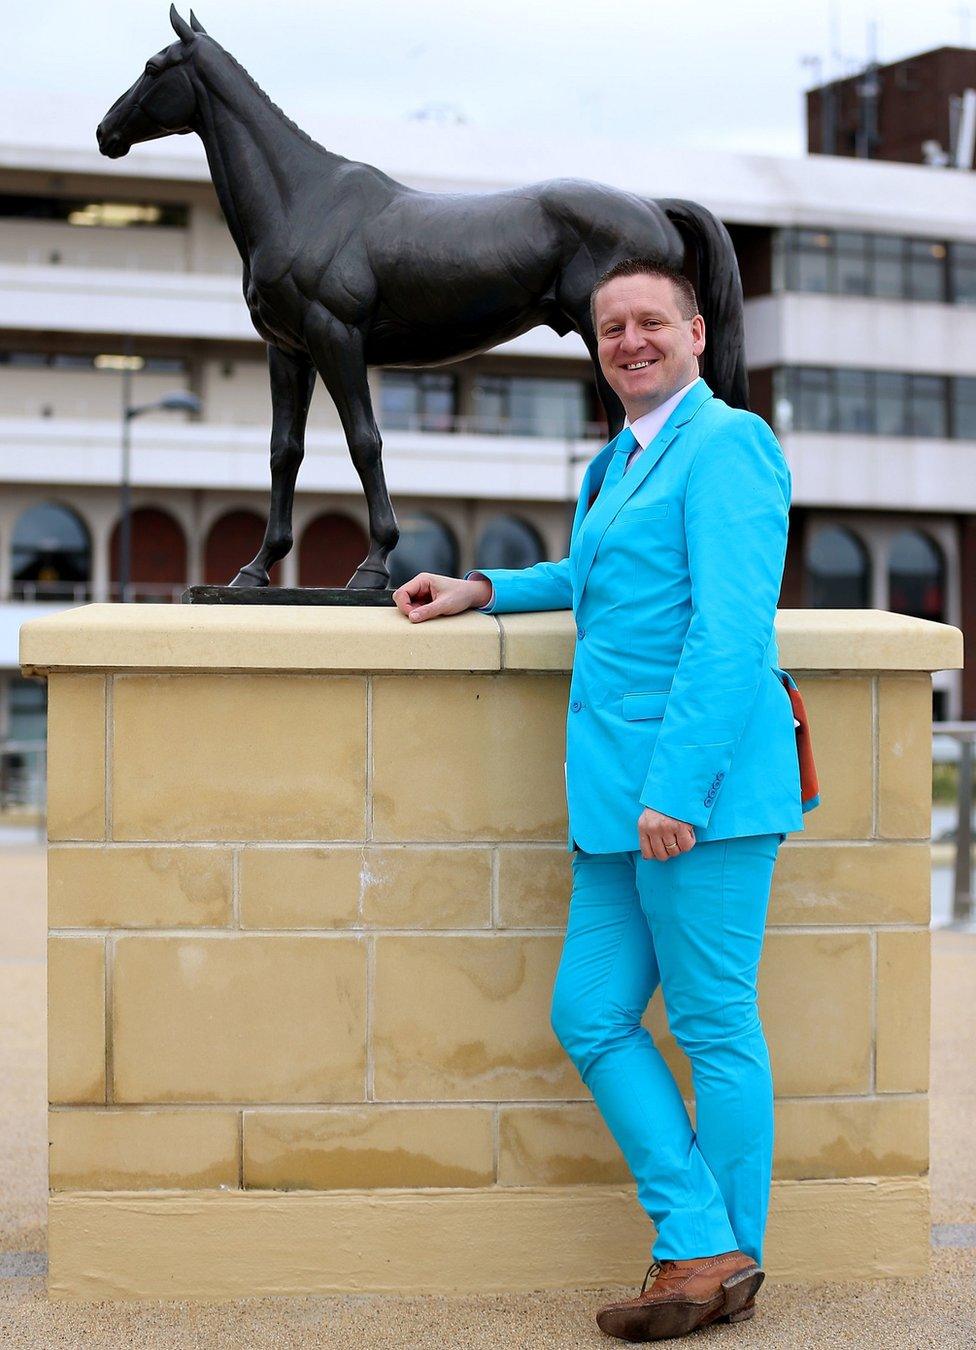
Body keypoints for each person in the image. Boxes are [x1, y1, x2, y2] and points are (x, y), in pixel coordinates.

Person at [391, 258, 819, 1341]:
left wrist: (677, 789)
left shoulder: (729, 445)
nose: (628, 340)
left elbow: (730, 633)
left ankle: (719, 1260)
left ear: (695, 334)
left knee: (714, 1024)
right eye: (609, 328)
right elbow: (594, 576)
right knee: (588, 1012)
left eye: (648, 323)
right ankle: (702, 1234)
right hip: (612, 804)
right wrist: (483, 586)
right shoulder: (614, 461)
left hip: (699, 798)